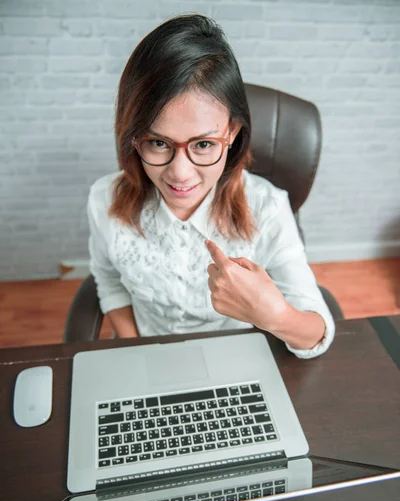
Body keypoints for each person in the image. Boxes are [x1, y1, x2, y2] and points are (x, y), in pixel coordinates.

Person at [88, 13, 335, 359]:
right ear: (132, 136)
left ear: (232, 132)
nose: (180, 174)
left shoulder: (268, 209)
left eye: (203, 145)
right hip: (145, 352)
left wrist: (274, 316)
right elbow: (109, 281)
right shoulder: (104, 200)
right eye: (158, 143)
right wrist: (135, 350)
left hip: (232, 359)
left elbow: (318, 332)